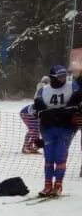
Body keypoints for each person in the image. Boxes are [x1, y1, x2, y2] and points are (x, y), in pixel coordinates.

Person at [31, 63, 82, 197]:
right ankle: (47, 185)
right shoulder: (44, 90)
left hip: (66, 126)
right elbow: (35, 107)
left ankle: (58, 184)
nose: (63, 79)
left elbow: (77, 101)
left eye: (64, 75)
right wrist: (40, 112)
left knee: (60, 155)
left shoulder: (72, 86)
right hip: (48, 126)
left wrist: (74, 110)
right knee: (49, 156)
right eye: (60, 76)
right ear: (53, 77)